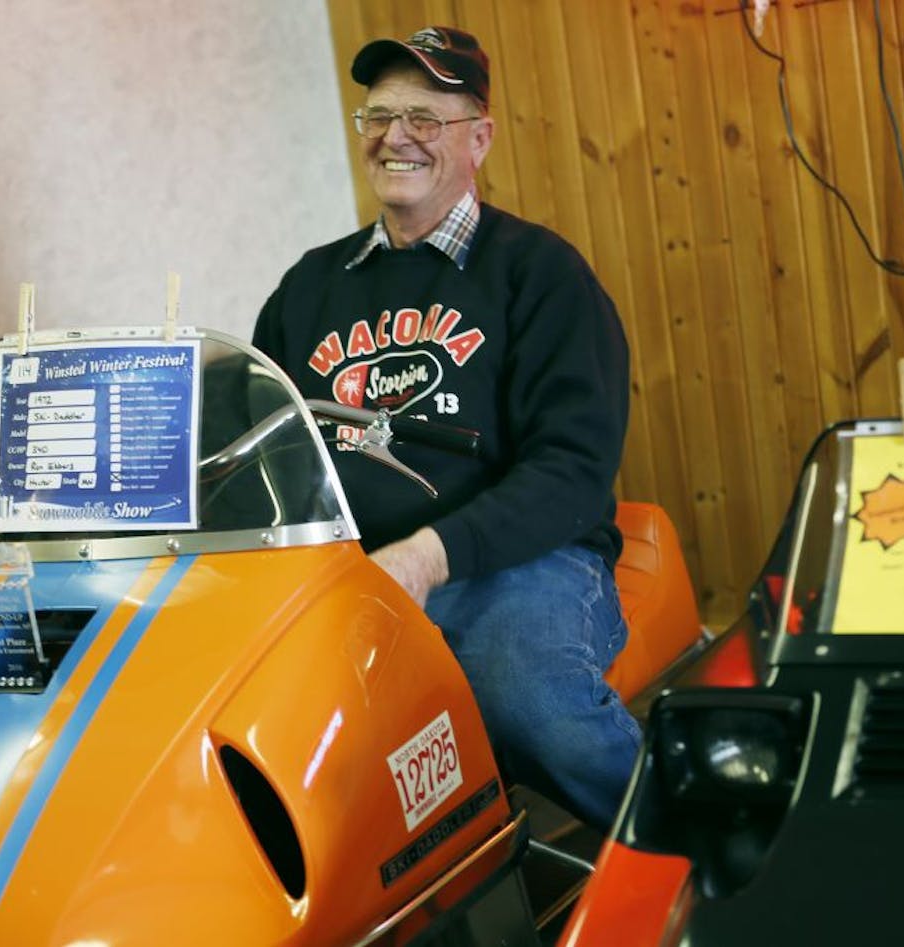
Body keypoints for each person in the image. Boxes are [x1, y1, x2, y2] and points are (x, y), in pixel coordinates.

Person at [252, 25, 637, 832]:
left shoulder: (540, 273)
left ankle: (716, 857)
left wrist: (430, 555)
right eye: (379, 116)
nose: (396, 137)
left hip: (518, 565)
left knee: (526, 696)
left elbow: (571, 470)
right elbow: (256, 450)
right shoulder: (307, 287)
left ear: (480, 138)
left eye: (425, 117)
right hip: (351, 577)